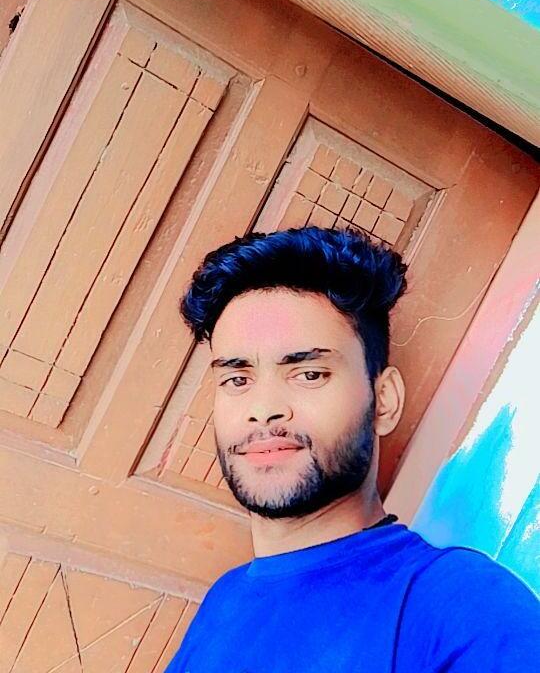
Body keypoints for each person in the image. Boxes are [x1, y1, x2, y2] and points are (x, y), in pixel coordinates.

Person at [165, 225, 539, 672]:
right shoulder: (224, 598)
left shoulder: (461, 607)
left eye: (310, 374)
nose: (262, 410)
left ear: (384, 400)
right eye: (237, 379)